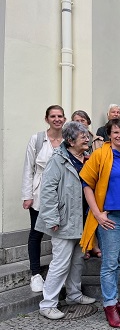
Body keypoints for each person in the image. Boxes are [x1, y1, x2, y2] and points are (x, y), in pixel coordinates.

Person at [79, 118, 120, 328]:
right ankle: (109, 305)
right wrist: (97, 214)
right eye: (116, 132)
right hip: (110, 218)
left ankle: (114, 300)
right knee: (108, 264)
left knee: (118, 262)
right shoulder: (100, 154)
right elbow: (87, 184)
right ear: (109, 134)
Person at [36, 122, 96, 320]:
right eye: (83, 137)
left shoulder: (85, 159)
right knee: (60, 263)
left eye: (87, 135)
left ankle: (74, 295)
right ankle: (48, 304)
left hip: (81, 220)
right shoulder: (58, 160)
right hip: (63, 220)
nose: (87, 139)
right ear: (70, 140)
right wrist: (52, 217)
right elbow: (47, 191)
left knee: (77, 261)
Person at [21, 104, 66, 292]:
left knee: (60, 235)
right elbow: (28, 168)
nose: (57, 119)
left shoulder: (68, 139)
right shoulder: (38, 139)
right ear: (47, 119)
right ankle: (36, 274)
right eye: (53, 116)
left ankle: (57, 274)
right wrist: (27, 195)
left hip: (62, 193)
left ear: (64, 119)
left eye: (60, 116)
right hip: (40, 192)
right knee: (36, 233)